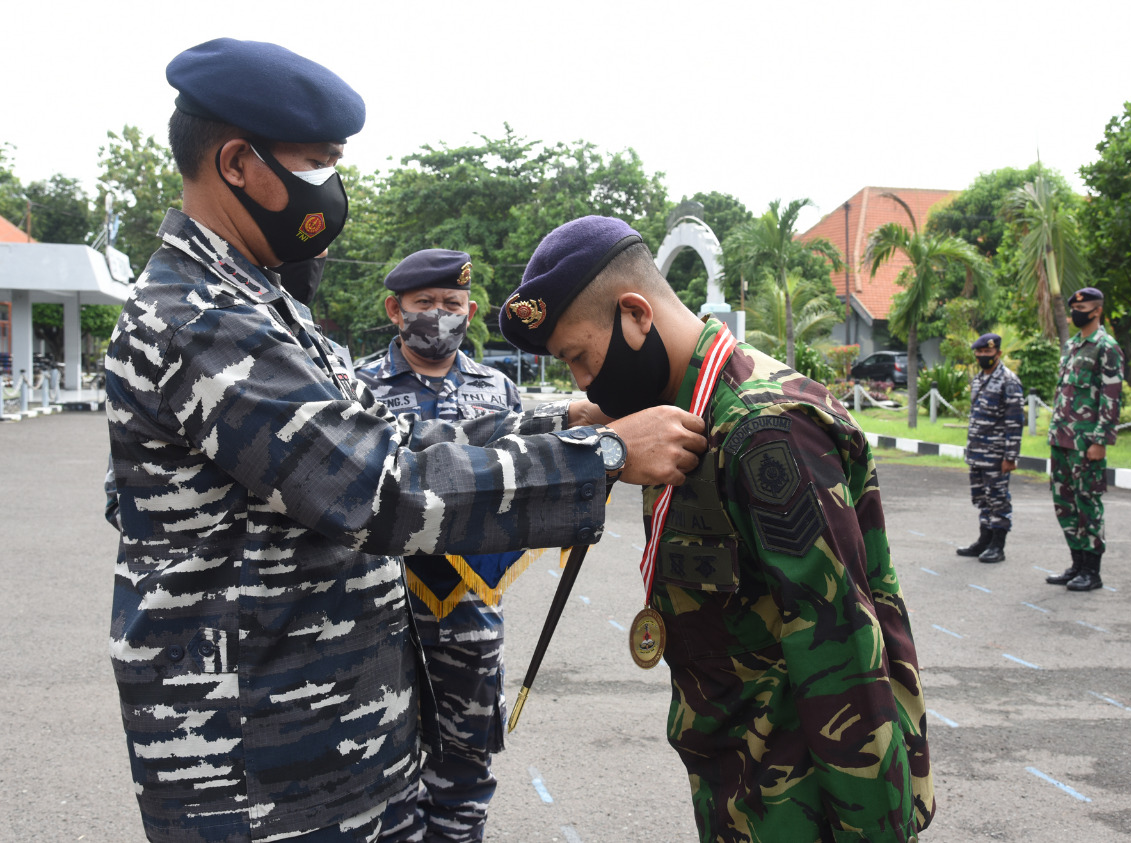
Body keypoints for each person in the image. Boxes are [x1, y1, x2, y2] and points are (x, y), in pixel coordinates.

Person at [105, 40, 705, 843]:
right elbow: (372, 484)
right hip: (259, 771)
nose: (332, 188)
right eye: (318, 163)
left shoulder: (259, 303)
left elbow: (391, 433)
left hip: (331, 742)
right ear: (240, 162)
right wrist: (601, 459)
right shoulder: (201, 319)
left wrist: (562, 421)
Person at [499, 216, 934, 843]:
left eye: (579, 356)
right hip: (743, 784)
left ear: (635, 314)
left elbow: (842, 648)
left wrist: (876, 832)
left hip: (807, 801)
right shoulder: (684, 414)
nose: (583, 383)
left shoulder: (763, 429)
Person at [354, 249, 522, 841]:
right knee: (381, 775)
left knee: (465, 777)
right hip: (382, 620)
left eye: (452, 305)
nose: (438, 315)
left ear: (471, 312)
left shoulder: (499, 390)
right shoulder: (355, 388)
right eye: (424, 303)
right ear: (394, 310)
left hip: (471, 619)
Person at [1043, 287, 1123, 591]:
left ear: (1097, 310)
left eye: (1084, 307)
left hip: (1087, 442)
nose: (1077, 312)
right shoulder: (1073, 345)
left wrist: (1101, 440)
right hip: (1062, 439)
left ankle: (1092, 570)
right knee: (1064, 503)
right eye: (1075, 307)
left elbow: (1111, 397)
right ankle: (1076, 563)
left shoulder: (1107, 347)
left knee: (1088, 503)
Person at [955, 333, 1023, 563]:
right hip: (977, 452)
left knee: (998, 498)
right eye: (980, 352)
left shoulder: (1008, 380)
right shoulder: (979, 379)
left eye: (988, 353)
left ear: (998, 353)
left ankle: (998, 545)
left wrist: (1010, 456)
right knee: (981, 498)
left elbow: (1014, 421)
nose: (983, 356)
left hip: (996, 454)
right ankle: (984, 540)